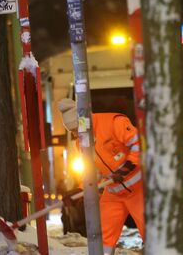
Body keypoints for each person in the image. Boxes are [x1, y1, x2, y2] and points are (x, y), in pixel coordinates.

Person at [57, 99, 144, 255]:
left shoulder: (113, 122)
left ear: (84, 121)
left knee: (151, 232)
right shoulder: (81, 144)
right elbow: (91, 174)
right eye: (72, 132)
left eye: (77, 129)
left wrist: (128, 166)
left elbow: (139, 143)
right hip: (114, 193)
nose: (76, 134)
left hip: (140, 190)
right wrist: (78, 191)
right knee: (103, 236)